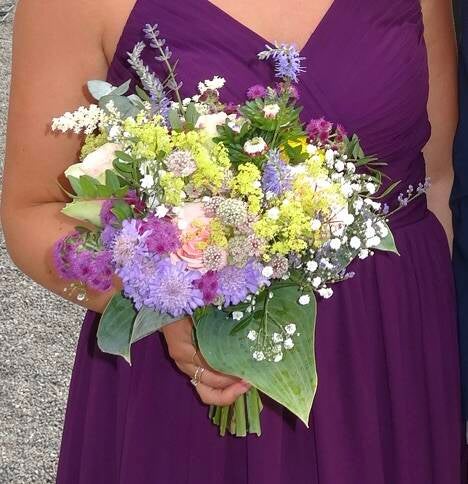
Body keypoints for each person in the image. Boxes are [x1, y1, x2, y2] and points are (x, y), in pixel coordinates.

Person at [1, 0, 463, 482]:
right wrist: (163, 304)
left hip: (388, 354)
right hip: (189, 375)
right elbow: (30, 211)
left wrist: (426, 360)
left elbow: (435, 183)